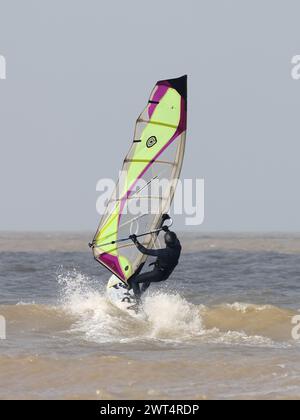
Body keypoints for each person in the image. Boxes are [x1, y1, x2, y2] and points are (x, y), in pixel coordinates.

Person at [127, 228, 182, 301]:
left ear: (165, 242)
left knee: (134, 281)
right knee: (148, 279)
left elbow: (144, 251)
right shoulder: (178, 247)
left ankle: (138, 303)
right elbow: (174, 239)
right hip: (165, 275)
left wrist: (135, 240)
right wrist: (167, 230)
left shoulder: (163, 252)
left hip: (158, 274)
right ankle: (139, 294)